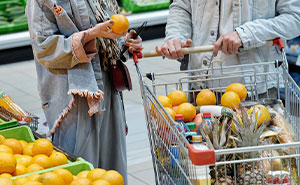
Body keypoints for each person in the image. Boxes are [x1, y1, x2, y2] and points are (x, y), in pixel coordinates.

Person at [25, 0, 142, 184]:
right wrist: (90, 35)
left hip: (107, 88)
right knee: (80, 169)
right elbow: (43, 47)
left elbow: (110, 31)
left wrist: (125, 43)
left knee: (113, 166)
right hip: (74, 96)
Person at [156, 0, 300, 98]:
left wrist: (246, 34)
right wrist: (176, 36)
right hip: (201, 88)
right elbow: (182, 6)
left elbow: (295, 17)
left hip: (255, 91)